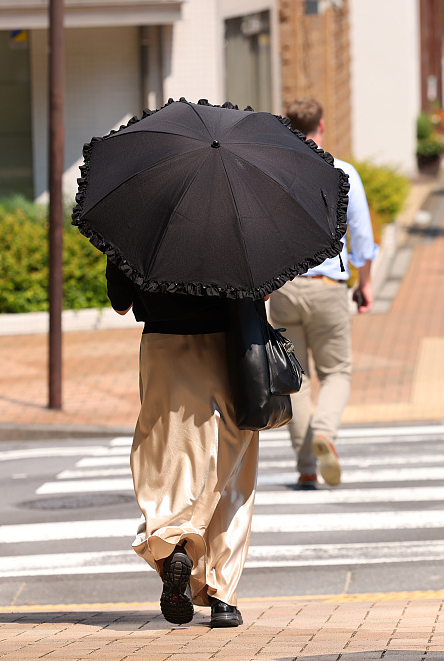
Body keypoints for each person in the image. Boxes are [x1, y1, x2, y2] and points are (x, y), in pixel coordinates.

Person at [106, 260, 255, 628]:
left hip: (162, 348)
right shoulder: (237, 218)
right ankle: (222, 596)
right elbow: (262, 289)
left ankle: (175, 544)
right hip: (227, 345)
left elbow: (121, 303)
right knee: (230, 469)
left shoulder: (136, 220)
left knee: (167, 459)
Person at [271, 97, 378, 489]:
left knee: (294, 378)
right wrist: (365, 284)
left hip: (284, 287)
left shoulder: (275, 174)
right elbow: (362, 238)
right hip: (329, 286)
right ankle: (325, 434)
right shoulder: (342, 174)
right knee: (336, 372)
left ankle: (305, 467)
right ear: (322, 125)